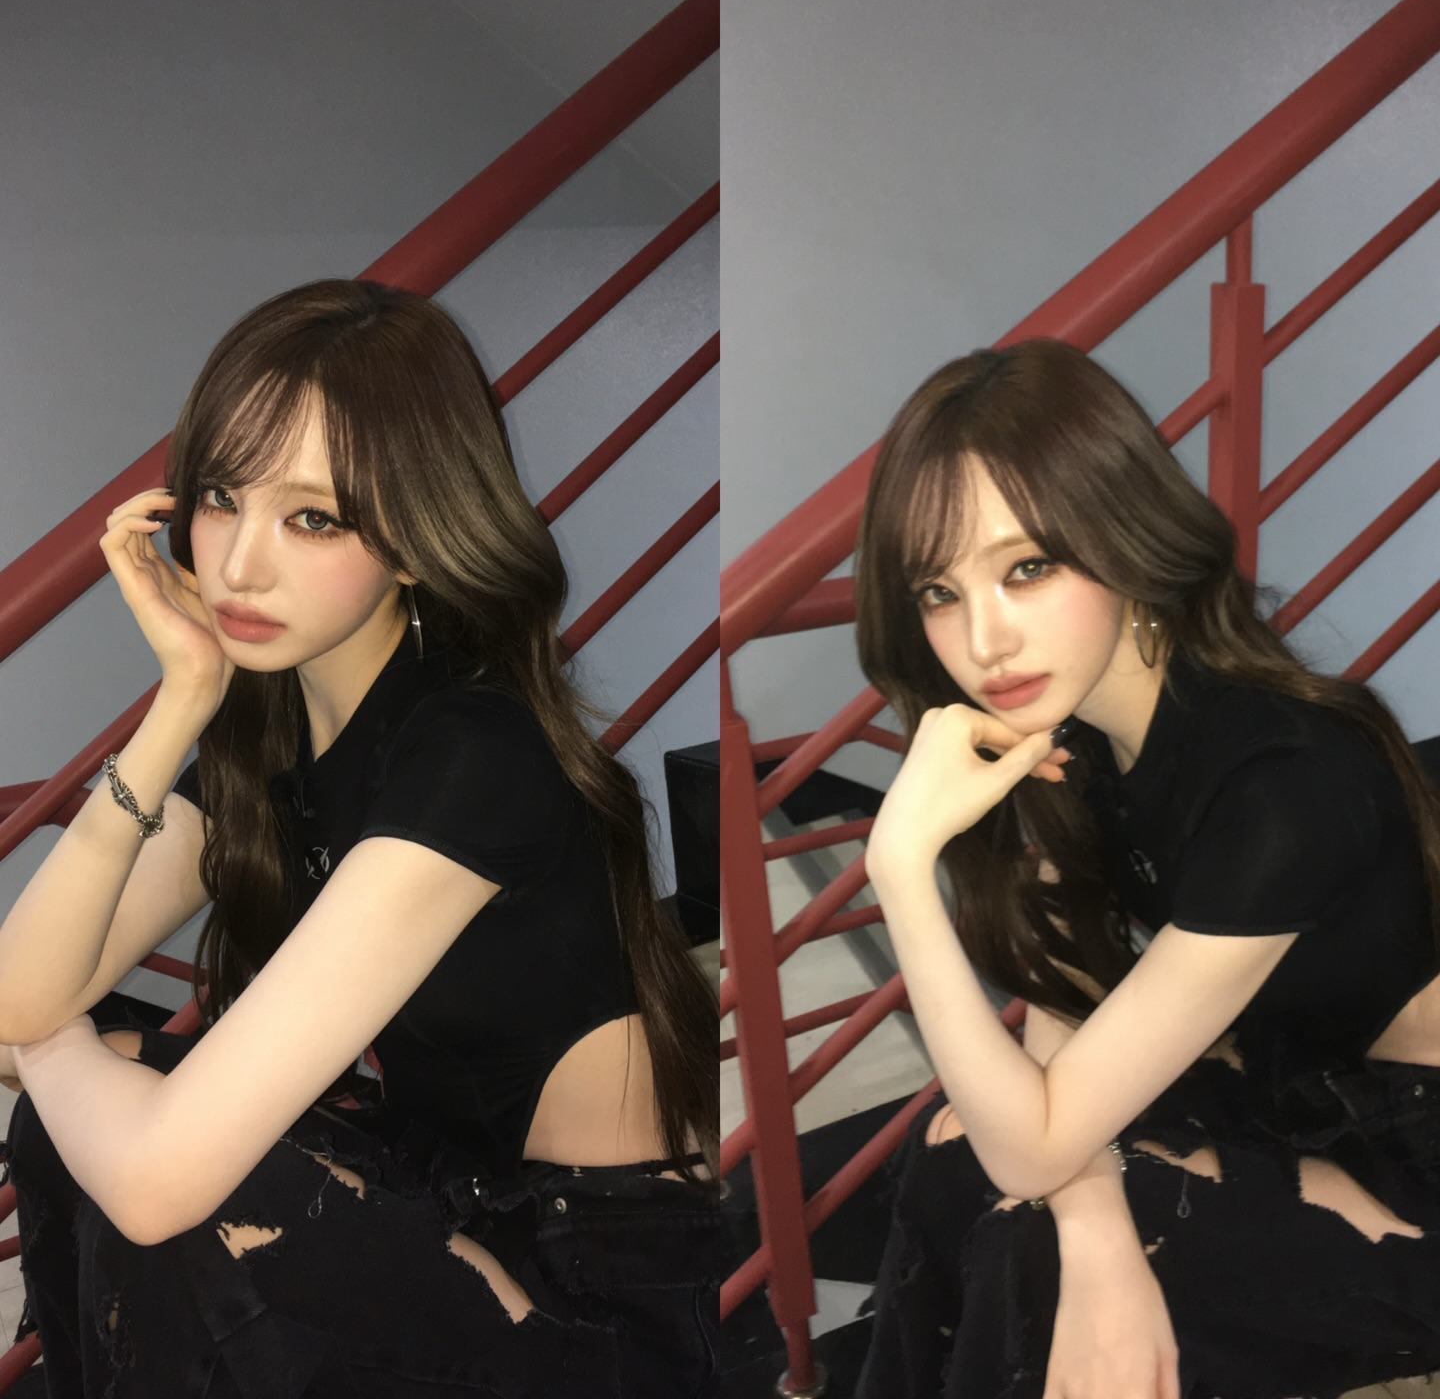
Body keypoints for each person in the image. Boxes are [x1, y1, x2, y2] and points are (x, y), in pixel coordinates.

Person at [0, 278, 721, 1399]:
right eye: (222, 497)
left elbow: (146, 1172)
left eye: (313, 519)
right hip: (448, 1185)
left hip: (595, 1277)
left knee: (168, 1180)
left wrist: (51, 1048)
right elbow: (15, 996)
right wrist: (180, 701)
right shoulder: (265, 726)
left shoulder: (474, 753)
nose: (237, 566)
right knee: (86, 1127)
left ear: (419, 542)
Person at [849, 338, 1440, 1399]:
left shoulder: (1281, 780)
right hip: (1285, 1089)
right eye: (938, 591)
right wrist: (1097, 1224)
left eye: (1027, 568)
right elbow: (1064, 995)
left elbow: (1038, 1142)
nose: (984, 640)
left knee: (1020, 1236)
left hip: (1413, 1146)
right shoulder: (1078, 740)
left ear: (1124, 536)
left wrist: (898, 869)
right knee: (959, 1162)